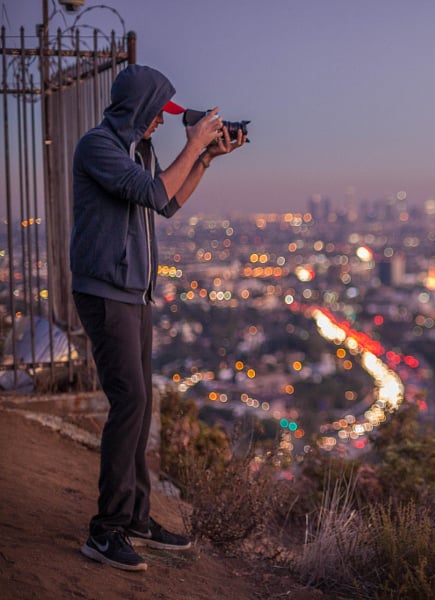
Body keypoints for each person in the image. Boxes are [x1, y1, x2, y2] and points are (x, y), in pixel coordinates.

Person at [70, 64, 246, 571]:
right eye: (155, 115)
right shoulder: (97, 146)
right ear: (136, 110)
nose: (161, 124)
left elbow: (165, 204)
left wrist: (206, 159)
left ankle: (136, 521)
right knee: (130, 401)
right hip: (105, 291)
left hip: (134, 291)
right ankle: (105, 530)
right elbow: (149, 193)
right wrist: (193, 145)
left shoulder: (140, 150)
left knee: (141, 405)